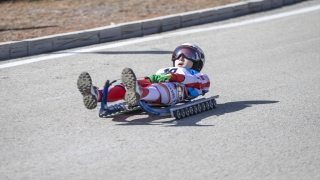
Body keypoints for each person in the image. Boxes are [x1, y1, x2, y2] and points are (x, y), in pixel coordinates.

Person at [77, 43, 210, 109]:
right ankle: (97, 94)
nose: (181, 57)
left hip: (176, 90)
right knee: (126, 86)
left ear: (197, 62)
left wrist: (173, 77)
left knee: (161, 88)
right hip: (156, 85)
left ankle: (139, 92)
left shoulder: (199, 75)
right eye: (178, 54)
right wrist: (137, 81)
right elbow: (151, 79)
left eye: (188, 55)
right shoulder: (164, 69)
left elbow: (194, 81)